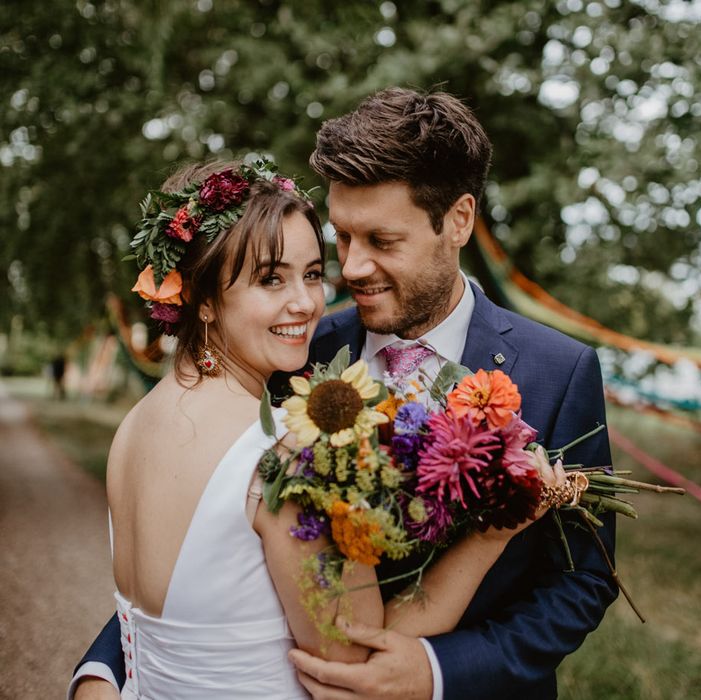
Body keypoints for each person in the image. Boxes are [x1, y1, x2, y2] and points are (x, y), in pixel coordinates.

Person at [70, 157, 570, 699]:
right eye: (270, 278)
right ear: (204, 296)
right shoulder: (289, 453)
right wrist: (490, 535)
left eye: (311, 274)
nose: (307, 303)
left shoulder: (136, 427)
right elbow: (358, 656)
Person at [284, 87, 619, 700]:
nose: (352, 268)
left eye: (382, 241)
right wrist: (111, 665)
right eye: (343, 237)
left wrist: (437, 673)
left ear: (458, 220)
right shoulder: (298, 350)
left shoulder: (559, 371)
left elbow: (582, 582)